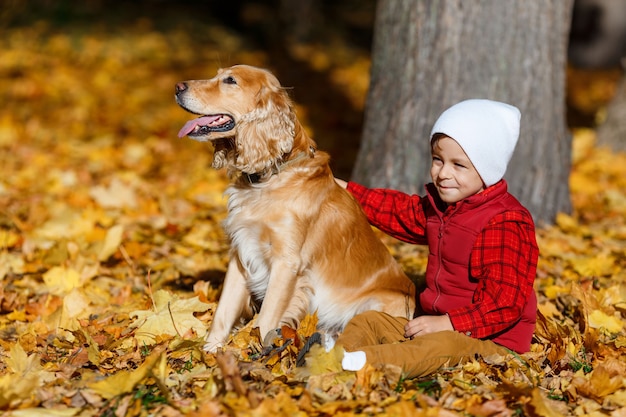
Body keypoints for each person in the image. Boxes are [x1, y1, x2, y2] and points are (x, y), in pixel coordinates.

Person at [333, 99, 539, 378]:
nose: (443, 174)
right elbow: (399, 211)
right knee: (369, 323)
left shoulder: (504, 222)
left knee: (429, 350)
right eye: (438, 160)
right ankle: (332, 356)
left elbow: (504, 303)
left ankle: (355, 365)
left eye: (459, 165)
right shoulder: (444, 208)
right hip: (439, 323)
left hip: (491, 340)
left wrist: (450, 323)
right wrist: (347, 191)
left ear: (487, 169)